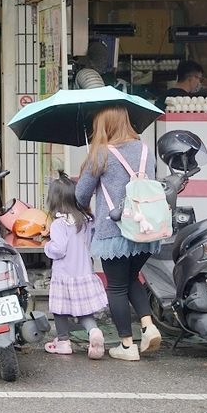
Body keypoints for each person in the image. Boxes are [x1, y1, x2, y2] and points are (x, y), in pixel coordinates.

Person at [74, 105, 163, 361]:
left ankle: (127, 345)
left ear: (104, 125)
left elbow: (81, 196)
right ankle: (148, 326)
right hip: (146, 229)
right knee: (133, 278)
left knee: (116, 287)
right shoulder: (146, 150)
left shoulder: (100, 154)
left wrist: (87, 174)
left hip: (114, 232)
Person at [43, 172, 108, 359]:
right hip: (84, 273)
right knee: (84, 312)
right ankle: (94, 331)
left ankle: (63, 342)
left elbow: (59, 249)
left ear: (54, 200)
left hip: (64, 275)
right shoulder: (86, 220)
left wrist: (47, 246)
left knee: (59, 310)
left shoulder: (59, 224)